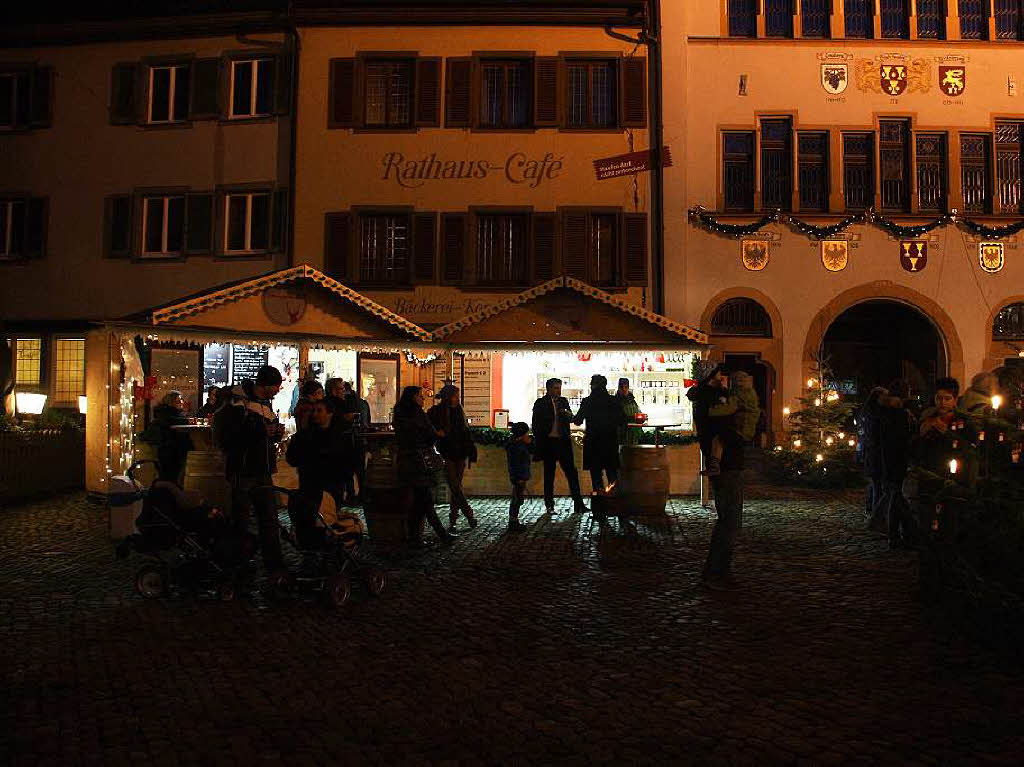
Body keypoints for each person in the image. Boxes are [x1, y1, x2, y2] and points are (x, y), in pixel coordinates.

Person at [213, 365, 288, 579]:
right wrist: (261, 431)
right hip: (243, 470)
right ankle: (238, 565)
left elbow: (263, 436)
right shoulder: (237, 403)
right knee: (241, 519)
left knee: (269, 519)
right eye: (276, 386)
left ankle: (274, 565)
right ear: (265, 385)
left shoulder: (265, 404)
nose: (277, 390)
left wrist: (274, 434)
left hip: (262, 469)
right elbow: (229, 438)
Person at [393, 386, 457, 547]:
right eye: (420, 396)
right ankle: (434, 536)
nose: (423, 399)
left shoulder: (400, 413)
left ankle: (419, 537)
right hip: (419, 462)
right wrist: (436, 435)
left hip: (407, 461)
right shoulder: (417, 414)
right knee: (424, 501)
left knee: (419, 502)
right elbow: (429, 434)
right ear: (413, 397)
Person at [285, 399, 347, 544]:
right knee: (308, 521)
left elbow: (343, 462)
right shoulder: (306, 434)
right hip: (309, 484)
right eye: (314, 411)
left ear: (330, 414)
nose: (315, 414)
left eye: (319, 410)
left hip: (330, 486)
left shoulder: (338, 435)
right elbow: (292, 458)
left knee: (326, 521)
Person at [701, 411, 746, 591]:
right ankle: (717, 573)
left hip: (729, 471)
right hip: (728, 473)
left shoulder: (723, 412)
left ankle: (714, 571)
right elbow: (718, 440)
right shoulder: (724, 417)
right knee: (729, 524)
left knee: (728, 524)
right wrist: (714, 462)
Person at [531, 377, 587, 514]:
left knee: (571, 473)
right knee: (549, 474)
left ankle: (578, 503)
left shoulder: (563, 401)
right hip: (549, 443)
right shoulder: (540, 403)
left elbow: (571, 418)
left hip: (563, 442)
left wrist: (568, 414)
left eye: (559, 388)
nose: (558, 390)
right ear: (548, 389)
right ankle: (549, 505)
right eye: (556, 388)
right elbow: (536, 424)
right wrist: (540, 441)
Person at [428, 384, 479, 533]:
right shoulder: (436, 411)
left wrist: (470, 451)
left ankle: (453, 520)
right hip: (447, 452)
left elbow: (465, 432)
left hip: (459, 452)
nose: (458, 398)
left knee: (456, 486)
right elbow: (429, 426)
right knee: (455, 486)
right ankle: (468, 514)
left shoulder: (458, 410)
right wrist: (438, 432)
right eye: (456, 395)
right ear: (448, 397)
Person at [878, 379, 917, 550]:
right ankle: (900, 534)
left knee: (896, 497)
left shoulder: (886, 412)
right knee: (898, 499)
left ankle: (896, 535)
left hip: (889, 460)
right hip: (897, 461)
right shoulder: (898, 414)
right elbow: (901, 440)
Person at [573, 374, 626, 494]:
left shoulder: (587, 401)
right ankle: (614, 501)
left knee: (596, 476)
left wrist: (568, 416)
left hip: (593, 443)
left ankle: (599, 505)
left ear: (594, 385)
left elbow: (577, 421)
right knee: (612, 474)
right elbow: (622, 420)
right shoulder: (613, 401)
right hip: (610, 442)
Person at [703, 370, 760, 476]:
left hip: (741, 428)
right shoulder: (749, 391)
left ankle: (714, 464)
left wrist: (708, 411)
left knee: (718, 437)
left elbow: (729, 408)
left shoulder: (740, 393)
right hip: (746, 428)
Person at [686, 364, 730, 475]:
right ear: (711, 376)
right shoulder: (714, 391)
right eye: (718, 373)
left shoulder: (699, 390)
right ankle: (714, 467)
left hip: (704, 427)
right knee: (713, 445)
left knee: (708, 447)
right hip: (713, 427)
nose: (720, 376)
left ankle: (712, 467)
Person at [141, 391, 192, 484]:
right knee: (170, 477)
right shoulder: (169, 417)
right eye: (178, 401)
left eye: (181, 401)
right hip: (170, 451)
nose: (181, 403)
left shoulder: (168, 415)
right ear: (171, 403)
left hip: (167, 450)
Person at [859, 386, 888, 533]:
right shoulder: (875, 414)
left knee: (874, 484)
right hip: (876, 453)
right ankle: (877, 517)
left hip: (871, 453)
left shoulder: (868, 412)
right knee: (878, 485)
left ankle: (871, 509)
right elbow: (873, 436)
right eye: (884, 397)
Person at [342, 381, 370, 504]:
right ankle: (363, 495)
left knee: (348, 471)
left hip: (348, 440)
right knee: (360, 471)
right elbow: (368, 421)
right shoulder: (363, 403)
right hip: (361, 439)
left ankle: (351, 495)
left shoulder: (344, 403)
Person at [506, 422, 532, 533]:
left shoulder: (515, 445)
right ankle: (513, 521)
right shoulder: (518, 447)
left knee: (517, 497)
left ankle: (514, 520)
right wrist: (520, 478)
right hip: (519, 476)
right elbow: (519, 463)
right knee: (517, 498)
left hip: (519, 476)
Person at [614, 378, 642, 446]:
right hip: (622, 435)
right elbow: (618, 419)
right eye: (621, 387)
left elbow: (638, 411)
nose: (624, 389)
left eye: (626, 387)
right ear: (618, 388)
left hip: (634, 434)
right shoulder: (615, 401)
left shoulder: (632, 400)